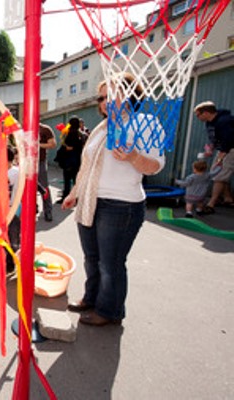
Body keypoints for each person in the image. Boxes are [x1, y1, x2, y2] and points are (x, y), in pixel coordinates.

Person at [62, 73, 165, 326]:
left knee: (111, 264)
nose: (106, 102)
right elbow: (86, 167)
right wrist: (74, 193)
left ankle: (109, 311)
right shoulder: (101, 128)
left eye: (112, 95)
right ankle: (91, 298)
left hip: (121, 206)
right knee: (92, 258)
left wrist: (133, 157)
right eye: (102, 97)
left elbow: (155, 166)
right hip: (90, 201)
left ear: (131, 95)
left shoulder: (145, 122)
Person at [193, 101, 234, 213]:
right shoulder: (210, 123)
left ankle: (211, 204)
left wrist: (221, 157)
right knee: (222, 173)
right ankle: (228, 198)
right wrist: (211, 148)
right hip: (223, 149)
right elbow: (215, 138)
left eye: (198, 114)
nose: (197, 117)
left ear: (206, 113)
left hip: (230, 149)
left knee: (218, 175)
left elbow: (228, 140)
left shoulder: (224, 121)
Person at [56, 116, 84, 204]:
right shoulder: (81, 134)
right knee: (76, 180)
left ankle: (66, 197)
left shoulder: (69, 134)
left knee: (67, 180)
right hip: (77, 161)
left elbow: (67, 147)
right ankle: (77, 197)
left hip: (68, 161)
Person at [39, 123, 57, 221]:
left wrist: (38, 145)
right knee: (28, 187)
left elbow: (53, 144)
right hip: (27, 162)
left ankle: (48, 210)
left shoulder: (45, 129)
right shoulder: (25, 129)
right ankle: (33, 209)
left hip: (40, 161)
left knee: (43, 186)